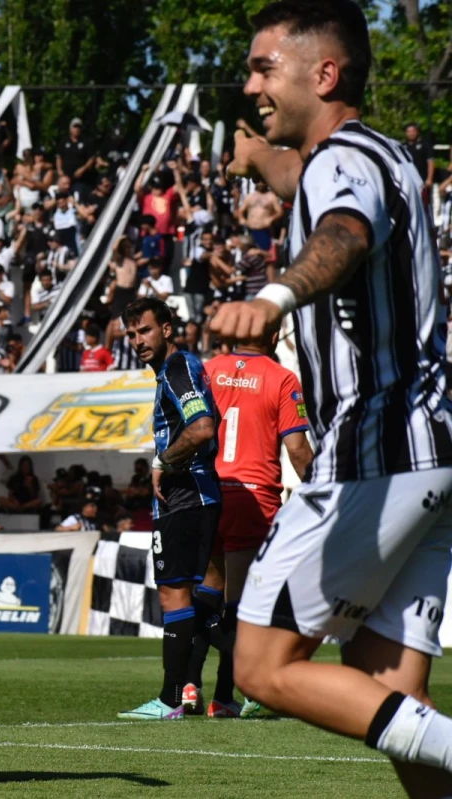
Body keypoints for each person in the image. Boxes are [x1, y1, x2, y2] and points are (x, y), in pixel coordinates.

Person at [211, 2, 452, 790]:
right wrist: (260, 160)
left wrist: (273, 299)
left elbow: (343, 230)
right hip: (429, 453)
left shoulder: (337, 167)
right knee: (393, 697)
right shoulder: (378, 152)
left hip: (374, 448)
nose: (251, 85)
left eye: (263, 67)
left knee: (262, 664)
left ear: (325, 73)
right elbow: (313, 178)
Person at [183, 330, 313, 719]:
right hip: (252, 497)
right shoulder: (283, 378)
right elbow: (298, 450)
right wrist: (328, 494)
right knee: (240, 604)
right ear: (275, 334)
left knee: (209, 588)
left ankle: (189, 685)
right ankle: (229, 694)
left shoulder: (209, 370)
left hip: (207, 491)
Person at [117, 297, 219, 721]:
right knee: (204, 604)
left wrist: (162, 461)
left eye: (144, 330)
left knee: (174, 594)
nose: (137, 340)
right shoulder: (175, 370)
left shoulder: (177, 369)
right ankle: (235, 682)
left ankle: (171, 698)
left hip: (185, 495)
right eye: (131, 333)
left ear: (167, 329)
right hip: (198, 494)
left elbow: (201, 429)